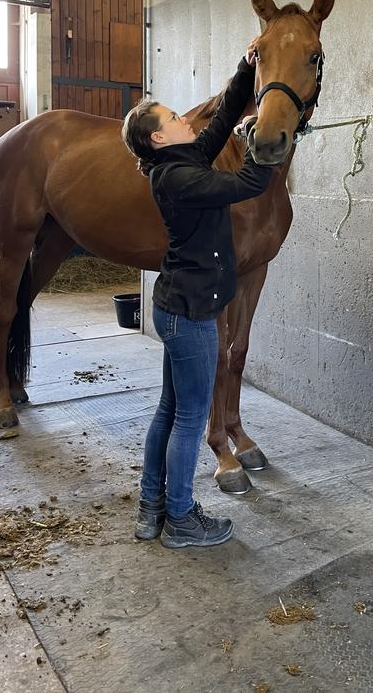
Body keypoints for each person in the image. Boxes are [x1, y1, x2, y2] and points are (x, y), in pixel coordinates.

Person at [121, 48, 271, 549]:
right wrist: (260, 142)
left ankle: (152, 507)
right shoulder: (183, 176)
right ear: (159, 137)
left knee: (168, 411)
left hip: (176, 307)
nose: (184, 117)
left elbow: (224, 113)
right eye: (172, 117)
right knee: (188, 420)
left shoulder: (179, 158)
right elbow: (249, 181)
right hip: (192, 315)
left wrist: (247, 69)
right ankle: (182, 518)